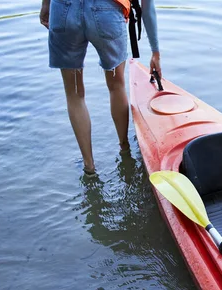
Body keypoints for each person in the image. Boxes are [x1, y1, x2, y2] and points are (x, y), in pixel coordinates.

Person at [39, 0, 161, 177]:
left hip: (64, 10)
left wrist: (45, 5)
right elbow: (147, 6)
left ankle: (89, 167)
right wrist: (155, 52)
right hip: (106, 11)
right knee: (116, 85)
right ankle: (124, 149)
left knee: (74, 94)